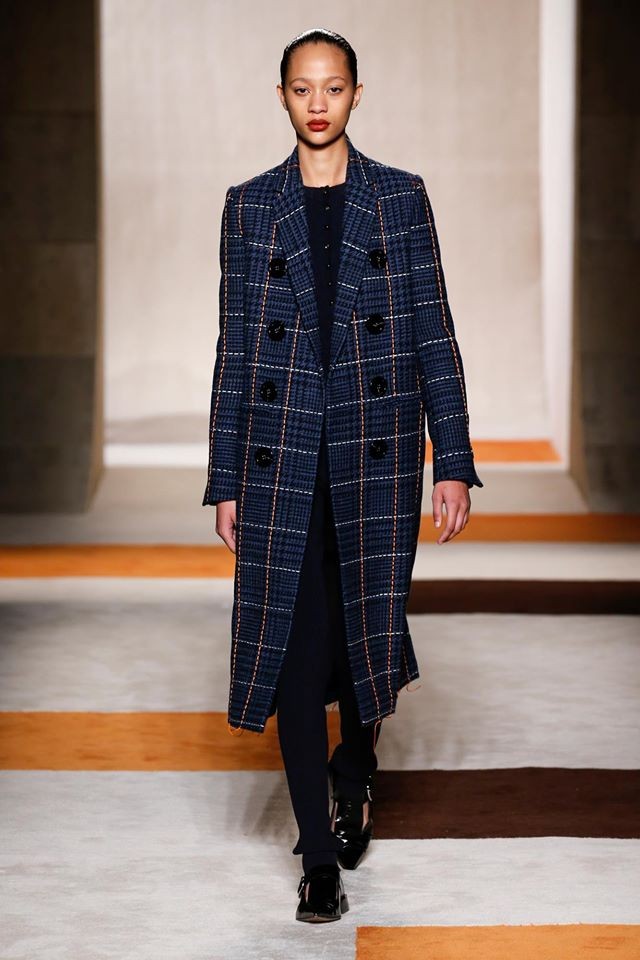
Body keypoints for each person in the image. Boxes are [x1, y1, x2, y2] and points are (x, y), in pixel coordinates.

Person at [203, 27, 483, 923]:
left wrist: (454, 461)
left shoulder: (399, 198)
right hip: (282, 455)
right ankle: (317, 860)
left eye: (332, 87)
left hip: (376, 452)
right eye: (302, 88)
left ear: (358, 94)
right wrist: (225, 477)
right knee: (292, 640)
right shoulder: (249, 207)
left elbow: (434, 330)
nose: (317, 103)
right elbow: (235, 349)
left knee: (367, 624)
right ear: (281, 96)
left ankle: (354, 772)